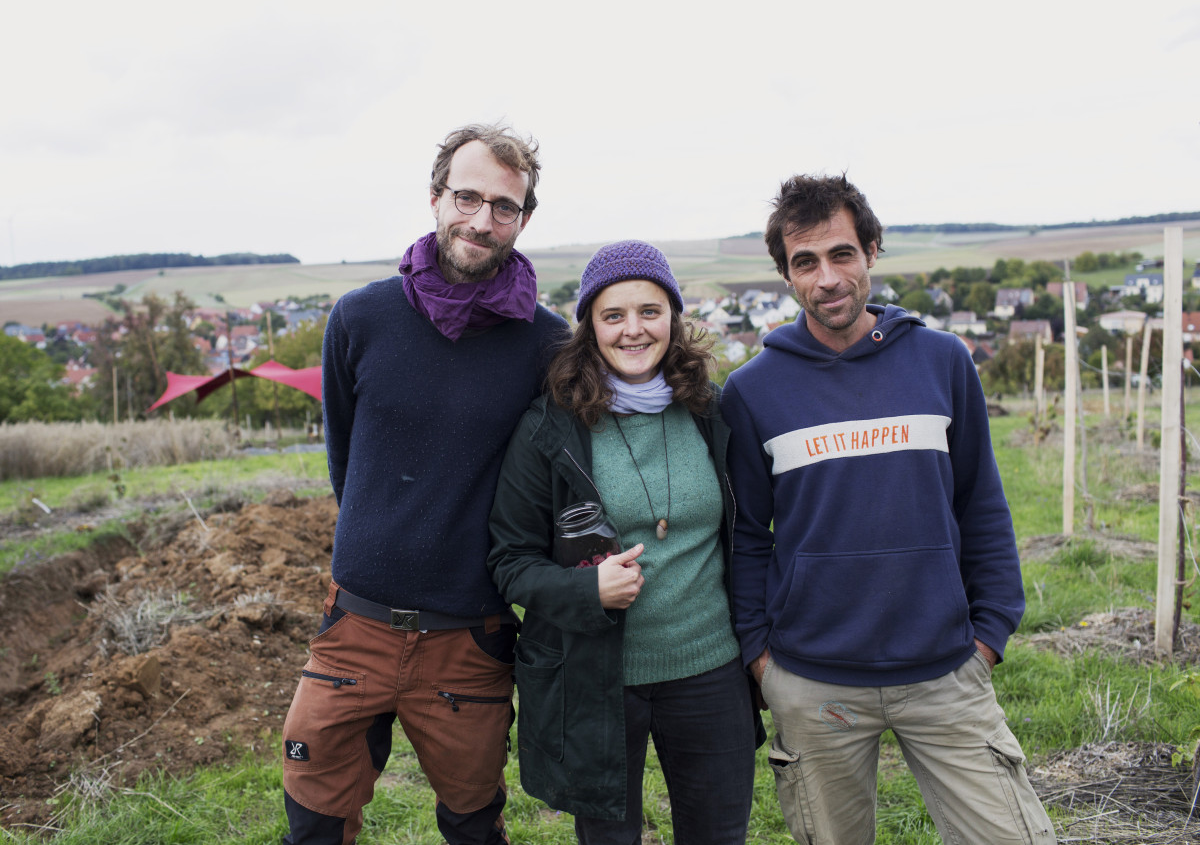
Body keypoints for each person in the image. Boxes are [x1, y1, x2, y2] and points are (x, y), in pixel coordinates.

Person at [721, 174, 1056, 845]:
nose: (827, 278)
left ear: (871, 250)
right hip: (814, 684)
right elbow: (746, 537)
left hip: (945, 672)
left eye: (841, 254)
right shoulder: (751, 391)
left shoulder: (942, 362)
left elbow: (981, 502)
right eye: (805, 262)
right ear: (786, 274)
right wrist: (762, 660)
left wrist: (988, 634)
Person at [281, 123, 569, 845]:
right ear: (435, 197)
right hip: (353, 629)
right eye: (466, 196)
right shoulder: (360, 318)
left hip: (469, 638)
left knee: (474, 825)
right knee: (312, 823)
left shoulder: (546, 342)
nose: (481, 219)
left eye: (504, 206)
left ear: (524, 219)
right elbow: (347, 456)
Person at [488, 240, 762, 845]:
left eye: (650, 311)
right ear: (589, 326)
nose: (633, 330)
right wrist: (588, 588)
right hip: (596, 677)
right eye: (613, 316)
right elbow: (510, 562)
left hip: (709, 668)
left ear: (674, 318)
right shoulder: (549, 427)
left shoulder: (709, 412)